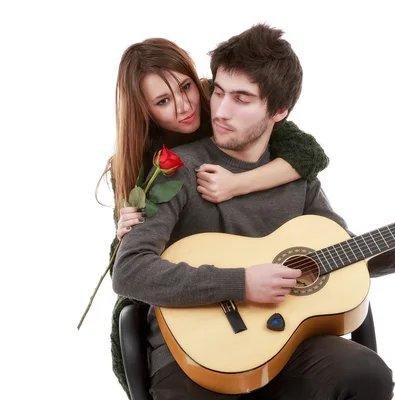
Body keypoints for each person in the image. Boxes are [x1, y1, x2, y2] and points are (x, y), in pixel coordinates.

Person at [112, 24, 395, 400]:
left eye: (242, 98)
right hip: (194, 357)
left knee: (365, 373)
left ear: (279, 110)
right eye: (218, 92)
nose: (220, 110)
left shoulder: (297, 179)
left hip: (283, 347)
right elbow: (129, 270)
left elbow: (346, 256)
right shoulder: (174, 171)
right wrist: (242, 283)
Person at [100, 37, 331, 396]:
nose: (184, 107)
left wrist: (238, 183)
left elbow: (309, 155)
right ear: (145, 110)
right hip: (186, 314)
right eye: (162, 101)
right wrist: (121, 234)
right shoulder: (143, 163)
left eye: (186, 87)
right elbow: (128, 267)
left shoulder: (222, 103)